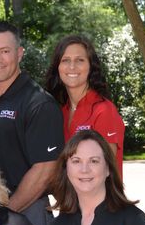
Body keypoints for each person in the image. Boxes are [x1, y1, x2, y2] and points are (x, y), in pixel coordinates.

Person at [0, 21, 64, 225]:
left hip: (26, 214)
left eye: (5, 51)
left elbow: (45, 169)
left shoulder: (39, 104)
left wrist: (5, 213)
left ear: (19, 54)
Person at [45, 35, 125, 178]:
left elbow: (103, 170)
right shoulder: (60, 112)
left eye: (80, 60)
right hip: (70, 200)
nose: (72, 66)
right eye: (65, 60)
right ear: (58, 67)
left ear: (91, 66)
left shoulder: (104, 111)